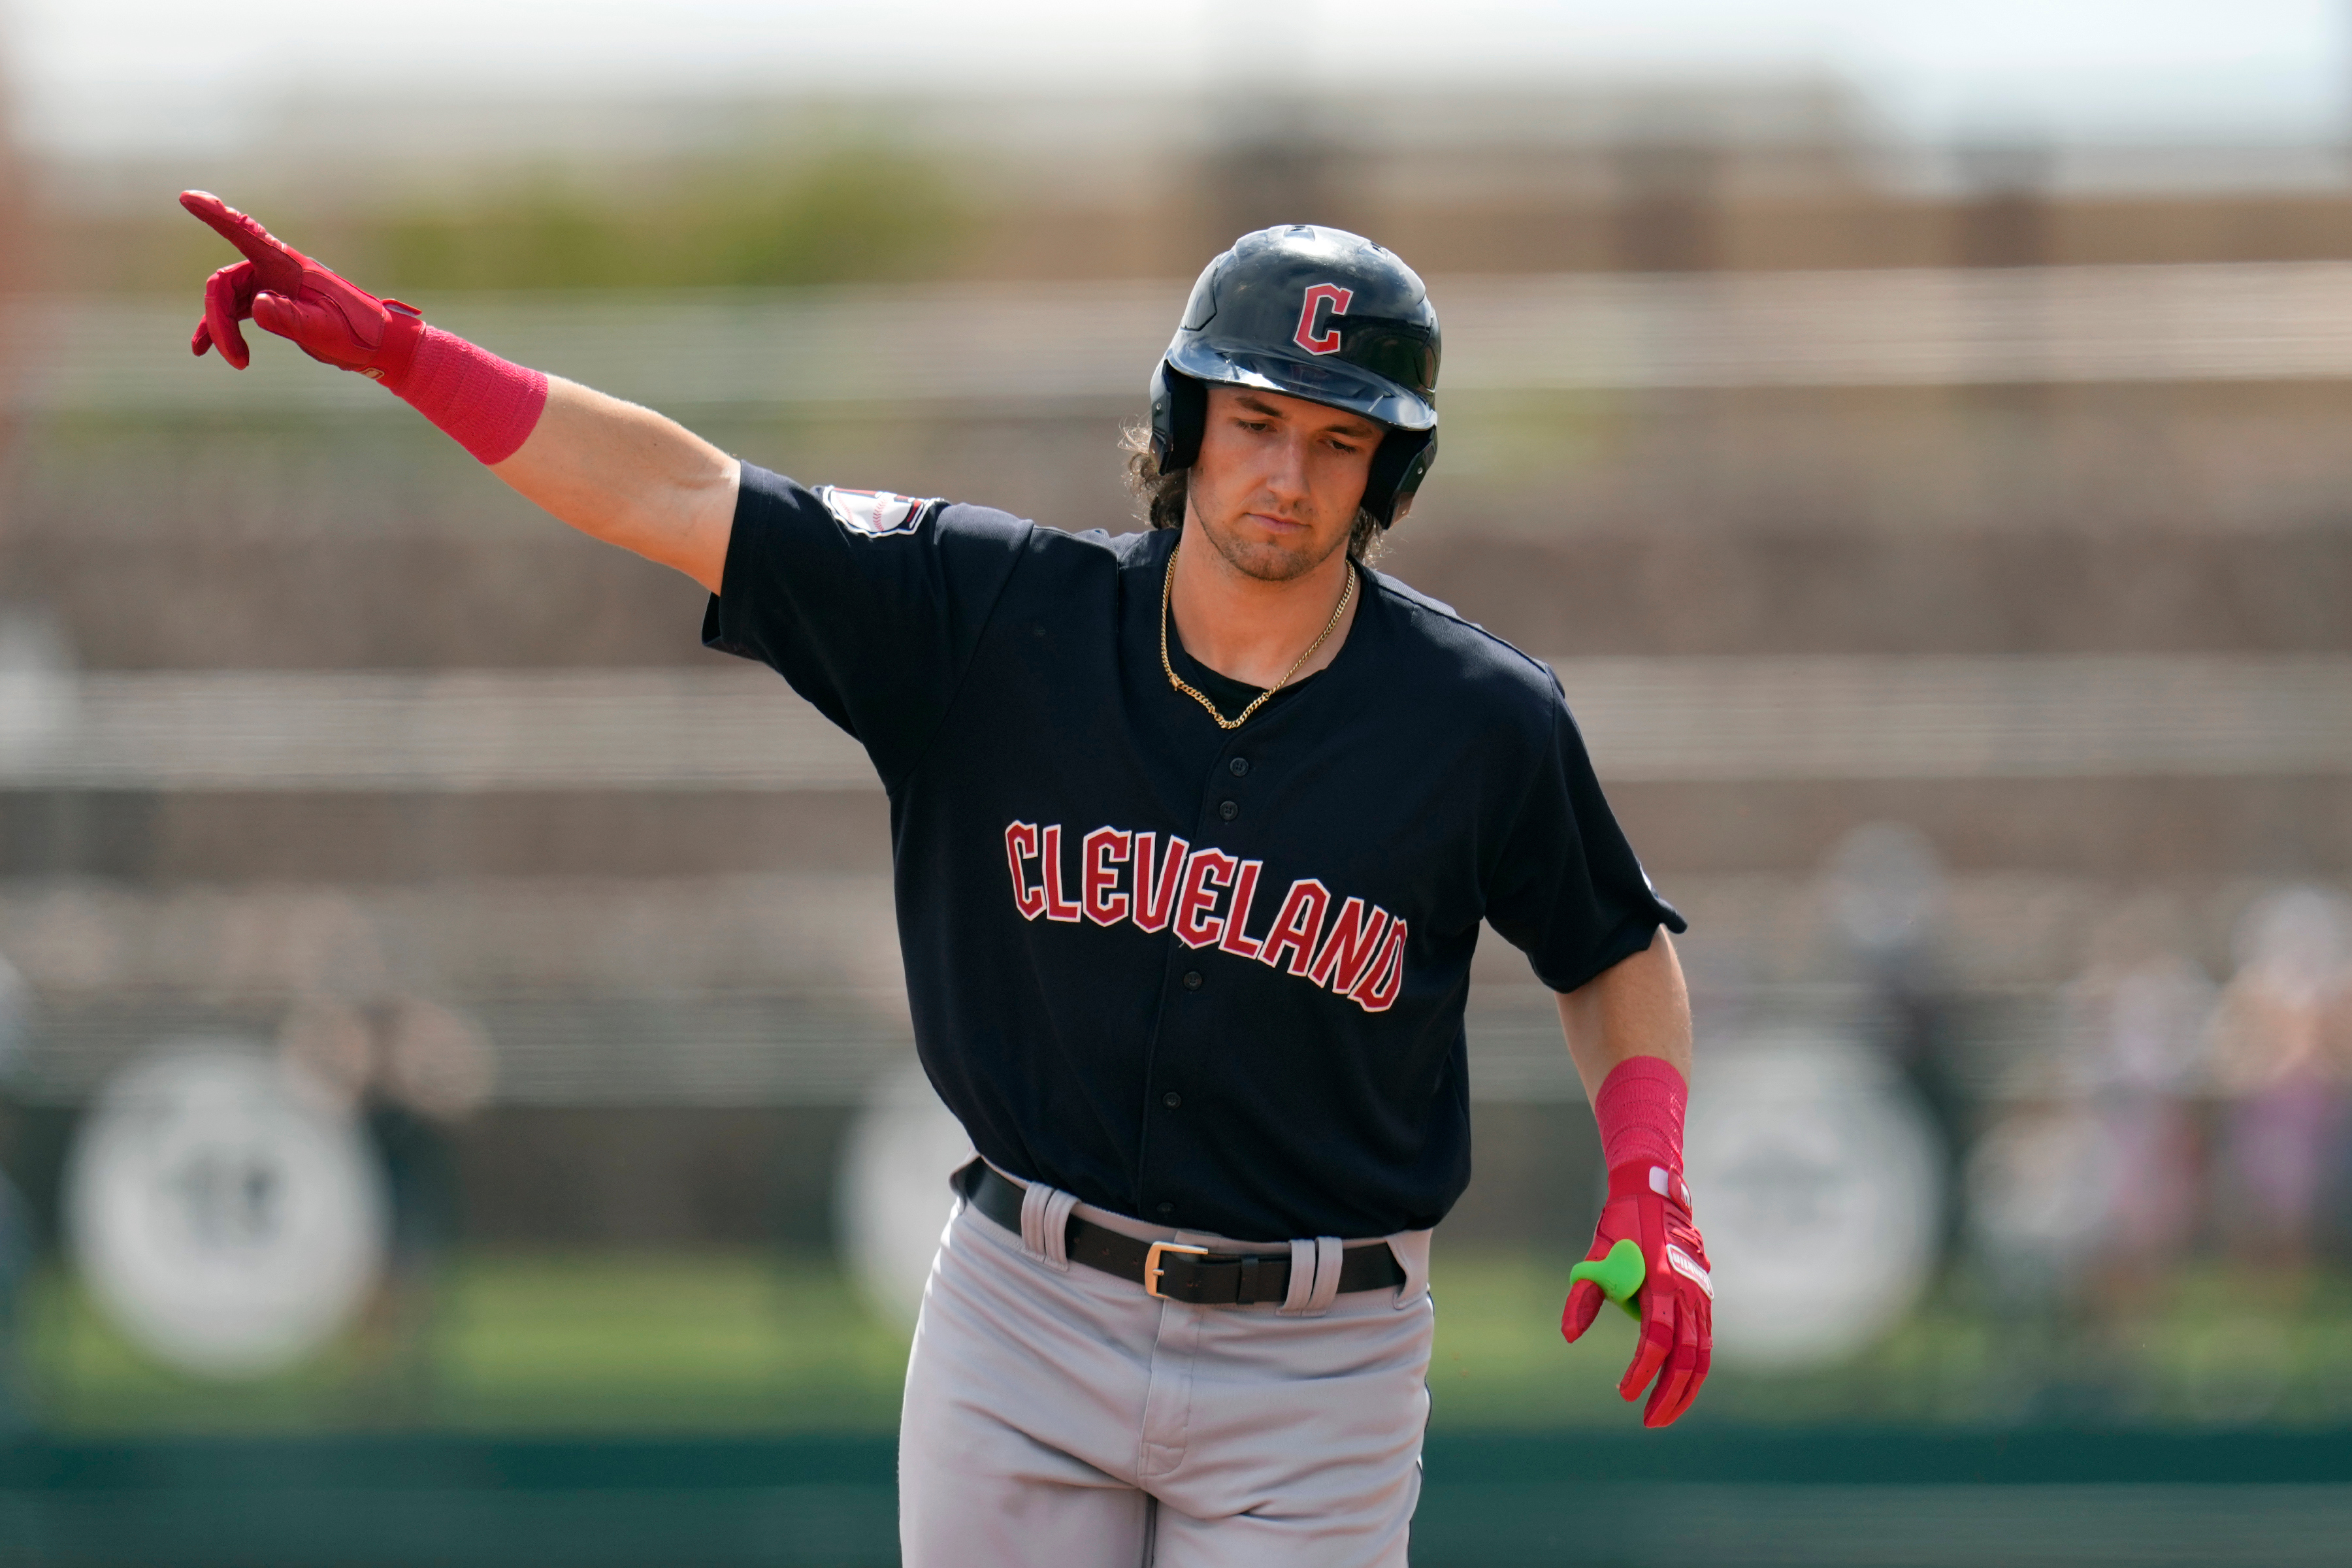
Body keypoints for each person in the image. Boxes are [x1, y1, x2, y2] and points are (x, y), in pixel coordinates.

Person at [181, 192, 1712, 1566]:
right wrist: (406, 355)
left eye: (1337, 439)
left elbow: (1611, 949)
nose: (1287, 474)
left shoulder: (1477, 716)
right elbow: (680, 499)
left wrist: (1651, 1173)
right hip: (1028, 1312)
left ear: (1388, 470)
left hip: (1319, 1362)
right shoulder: (990, 615)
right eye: (1255, 421)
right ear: (1185, 425)